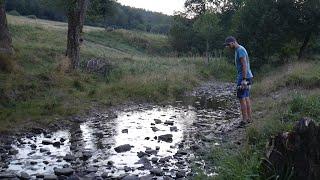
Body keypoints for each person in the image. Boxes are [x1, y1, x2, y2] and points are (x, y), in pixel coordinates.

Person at [224, 36, 254, 126]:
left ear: (233, 42)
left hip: (244, 77)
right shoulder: (240, 49)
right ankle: (249, 119)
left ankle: (244, 120)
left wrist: (243, 79)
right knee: (246, 97)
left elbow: (244, 65)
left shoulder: (240, 50)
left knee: (241, 98)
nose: (228, 47)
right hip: (248, 76)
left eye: (228, 45)